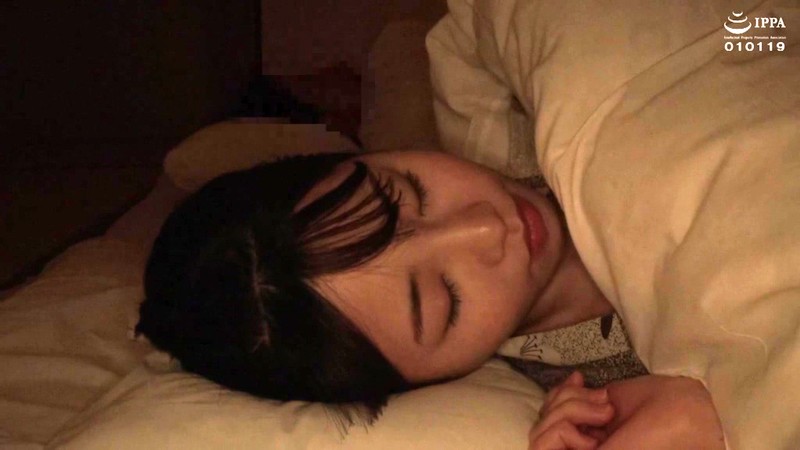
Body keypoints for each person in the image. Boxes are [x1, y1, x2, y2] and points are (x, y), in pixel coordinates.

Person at [137, 149, 725, 449]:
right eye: (446, 299)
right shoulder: (596, 392)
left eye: (410, 192)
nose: (487, 227)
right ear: (428, 381)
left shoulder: (550, 105)